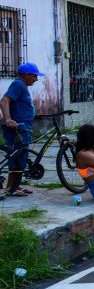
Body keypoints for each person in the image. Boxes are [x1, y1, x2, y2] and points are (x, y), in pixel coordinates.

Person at [0, 63, 45, 197]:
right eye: (34, 76)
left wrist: (31, 115)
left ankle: (15, 186)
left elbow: (19, 105)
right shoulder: (19, 84)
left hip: (23, 126)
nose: (36, 79)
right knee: (18, 158)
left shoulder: (21, 85)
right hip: (17, 128)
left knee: (20, 157)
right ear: (26, 75)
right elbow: (4, 101)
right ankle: (11, 188)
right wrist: (8, 119)